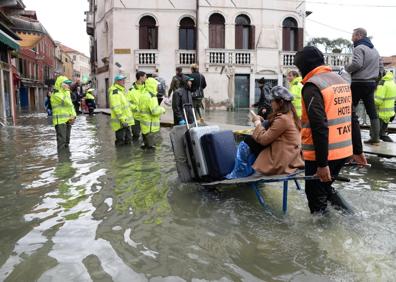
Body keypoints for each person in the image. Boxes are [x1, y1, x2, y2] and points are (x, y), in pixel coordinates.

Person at [295, 46, 354, 214]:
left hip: (322, 154)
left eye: (299, 68)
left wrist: (322, 164)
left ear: (304, 66)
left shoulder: (312, 86)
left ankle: (322, 235)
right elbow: (352, 116)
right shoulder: (341, 81)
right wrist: (357, 150)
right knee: (325, 188)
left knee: (315, 197)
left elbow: (319, 126)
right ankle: (351, 217)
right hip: (343, 151)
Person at [227, 86, 304, 179]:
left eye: (272, 101)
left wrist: (257, 123)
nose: (270, 103)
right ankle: (245, 170)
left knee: (247, 142)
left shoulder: (283, 119)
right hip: (290, 158)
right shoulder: (290, 115)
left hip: (281, 161)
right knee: (250, 140)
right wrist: (263, 123)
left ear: (281, 102)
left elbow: (264, 140)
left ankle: (238, 174)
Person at [345, 28, 384, 145]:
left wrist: (346, 68)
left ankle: (349, 137)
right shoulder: (375, 50)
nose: (352, 37)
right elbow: (381, 68)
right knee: (372, 111)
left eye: (353, 35)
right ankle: (375, 138)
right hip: (371, 84)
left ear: (359, 35)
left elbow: (357, 64)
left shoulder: (359, 48)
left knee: (350, 110)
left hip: (358, 83)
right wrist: (375, 80)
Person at [138, 77, 166, 149]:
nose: (157, 87)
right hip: (150, 128)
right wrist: (162, 109)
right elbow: (154, 111)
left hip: (144, 127)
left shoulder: (143, 94)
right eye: (156, 85)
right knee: (151, 150)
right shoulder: (152, 97)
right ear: (152, 85)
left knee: (145, 147)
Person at [50, 76, 76, 150]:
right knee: (62, 142)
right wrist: (67, 92)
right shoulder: (55, 94)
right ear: (61, 84)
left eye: (68, 84)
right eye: (66, 83)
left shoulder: (66, 93)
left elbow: (71, 106)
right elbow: (68, 102)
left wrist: (74, 116)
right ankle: (62, 159)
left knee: (67, 141)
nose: (68, 85)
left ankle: (67, 160)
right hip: (60, 121)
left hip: (68, 119)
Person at [108, 74, 135, 146]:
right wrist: (123, 120)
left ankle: (126, 156)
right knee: (121, 143)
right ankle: (120, 156)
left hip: (125, 122)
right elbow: (117, 108)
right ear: (117, 82)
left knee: (128, 141)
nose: (123, 81)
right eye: (121, 80)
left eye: (123, 80)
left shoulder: (121, 92)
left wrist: (135, 107)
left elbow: (126, 105)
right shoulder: (115, 92)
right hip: (121, 123)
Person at [375, 71, 396, 142]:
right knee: (382, 133)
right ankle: (391, 145)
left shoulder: (383, 84)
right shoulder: (392, 83)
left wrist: (370, 100)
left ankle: (377, 150)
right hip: (389, 113)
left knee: (375, 135)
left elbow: (378, 101)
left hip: (381, 113)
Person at [127, 71, 147, 141]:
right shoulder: (131, 90)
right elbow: (127, 103)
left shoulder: (147, 88)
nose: (146, 78)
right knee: (136, 136)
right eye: (145, 77)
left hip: (146, 117)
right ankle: (135, 150)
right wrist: (136, 108)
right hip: (136, 117)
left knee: (146, 136)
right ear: (141, 77)